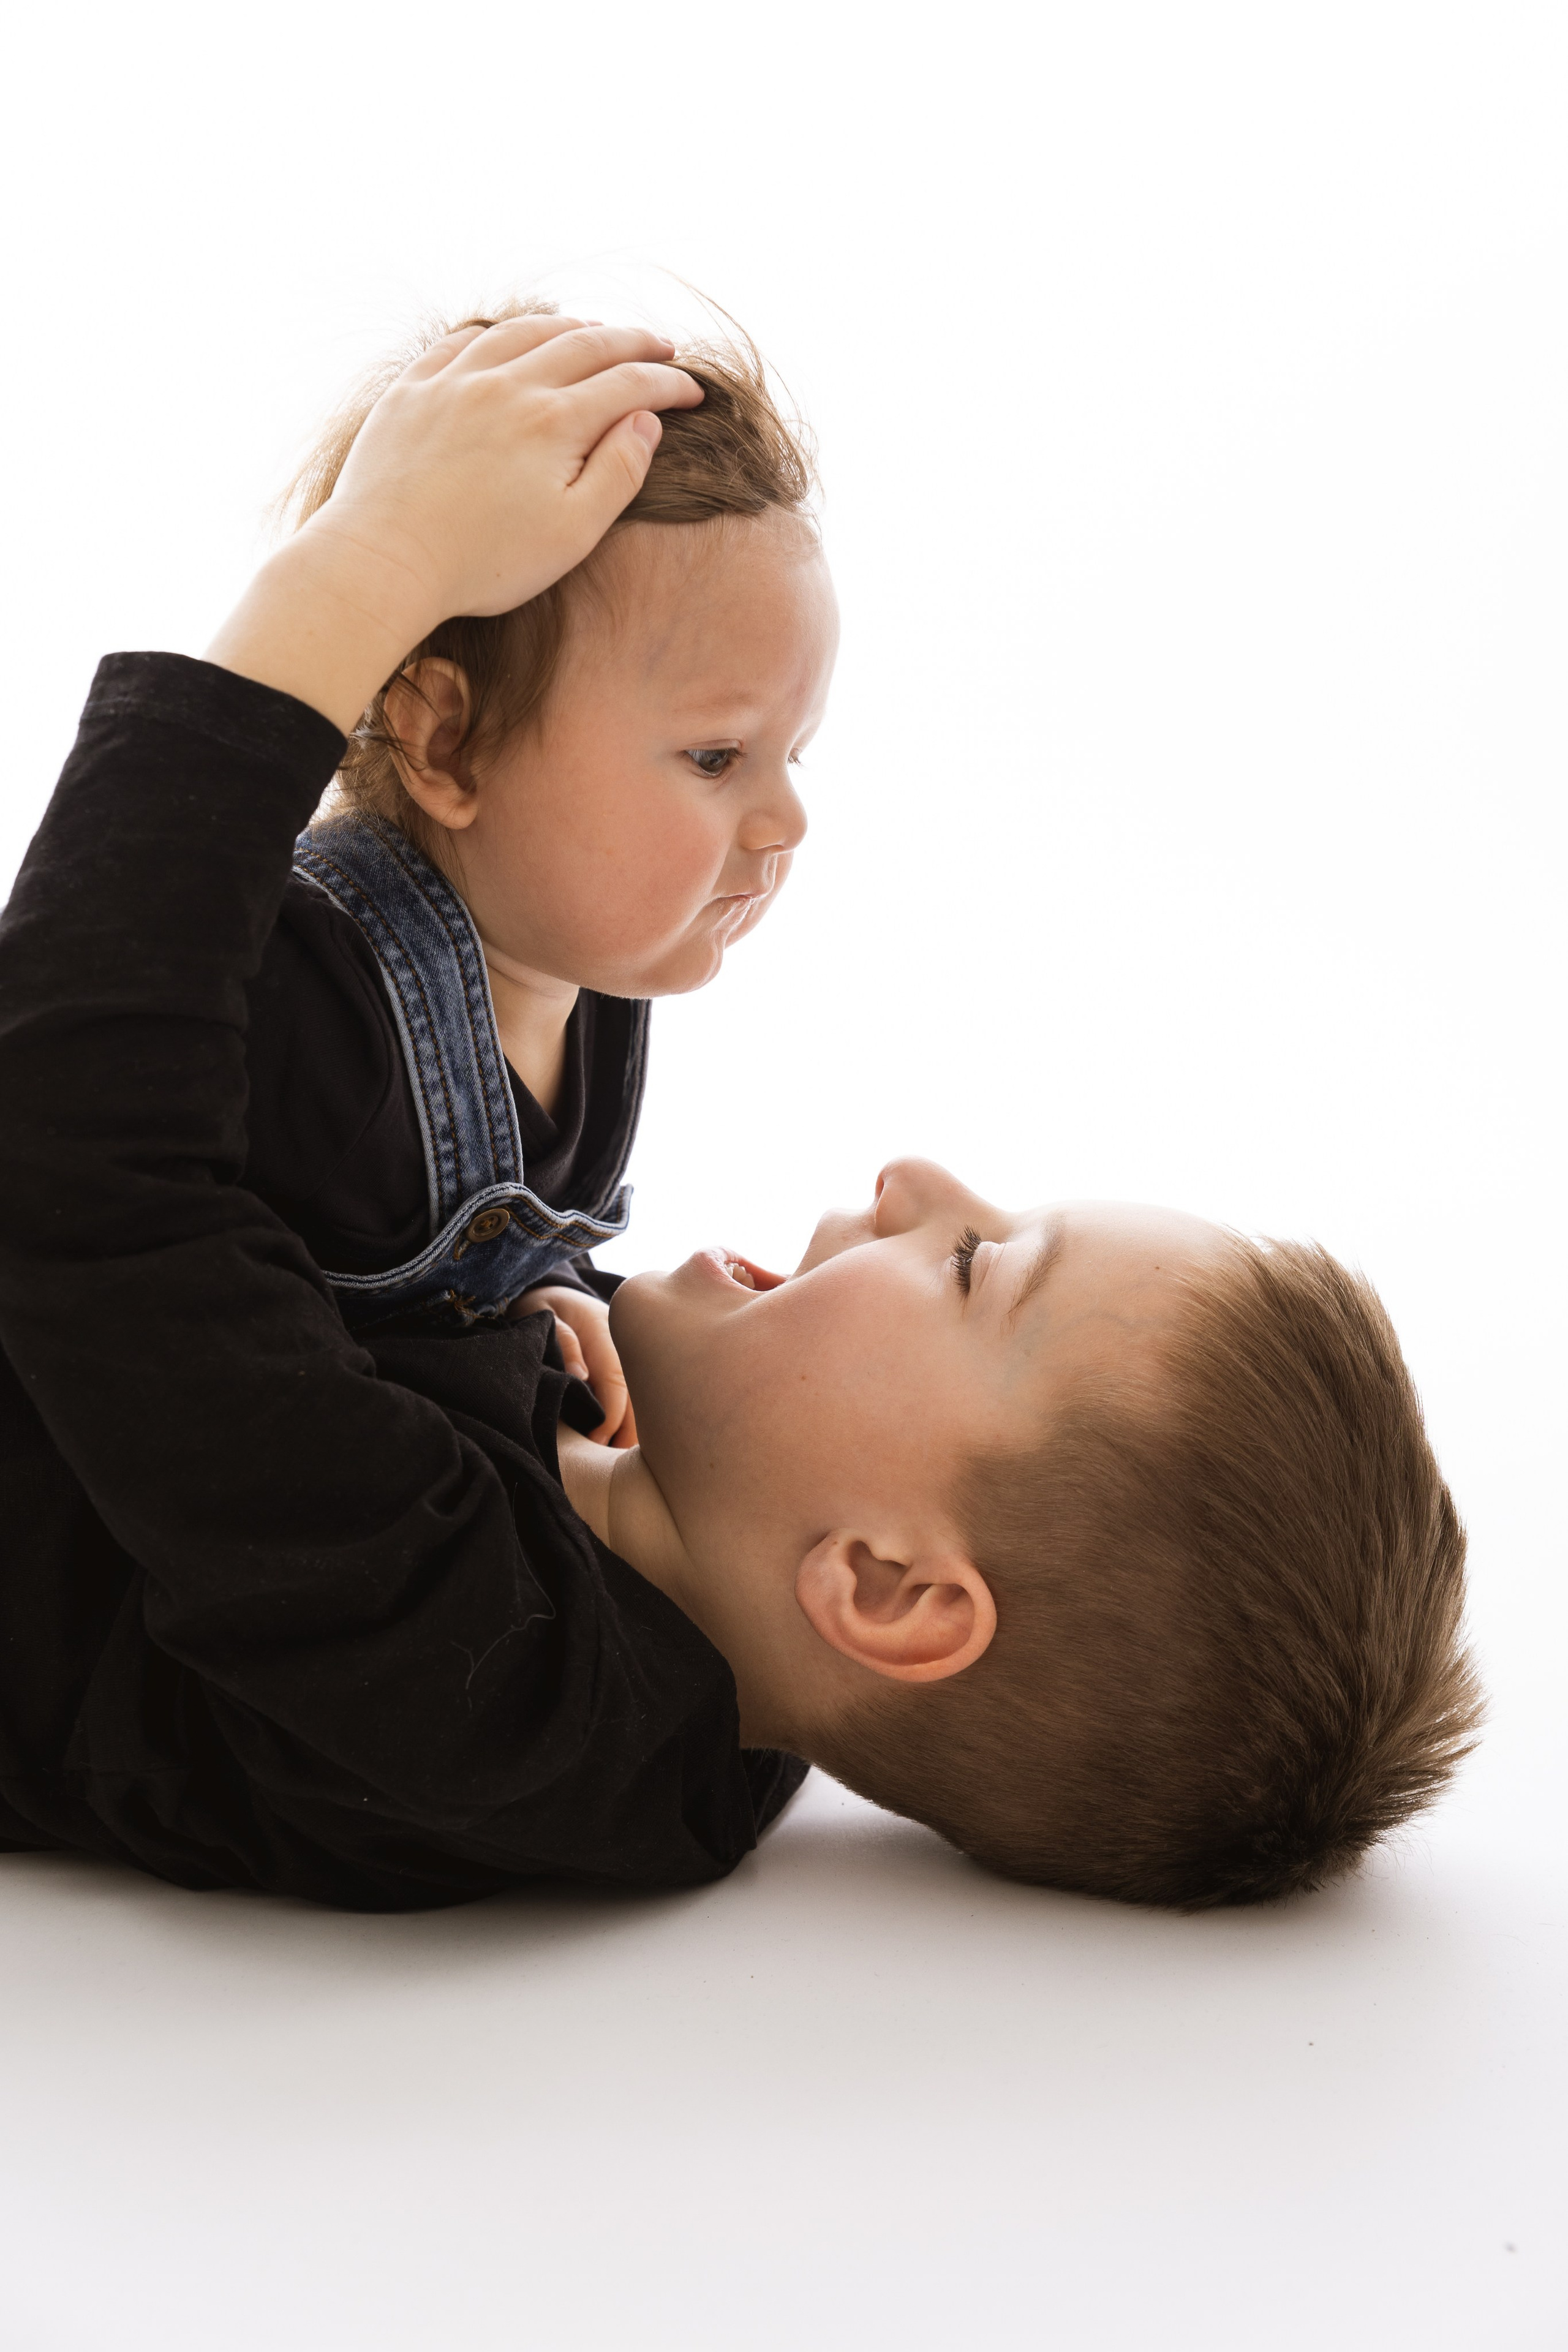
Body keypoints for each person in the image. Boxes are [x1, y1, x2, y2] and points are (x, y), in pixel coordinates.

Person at [0, 323, 1480, 1912]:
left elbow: (89, 1187)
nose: (917, 1174)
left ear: (886, 1587)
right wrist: (484, 1344)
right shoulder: (686, 1591)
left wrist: (355, 578)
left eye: (976, 1265)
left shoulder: (491, 1685)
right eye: (720, 754)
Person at [244, 301, 833, 1444]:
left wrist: (530, 1301)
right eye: (717, 757)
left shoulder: (589, 969)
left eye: (793, 754)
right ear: (449, 742)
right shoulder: (299, 986)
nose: (788, 823)